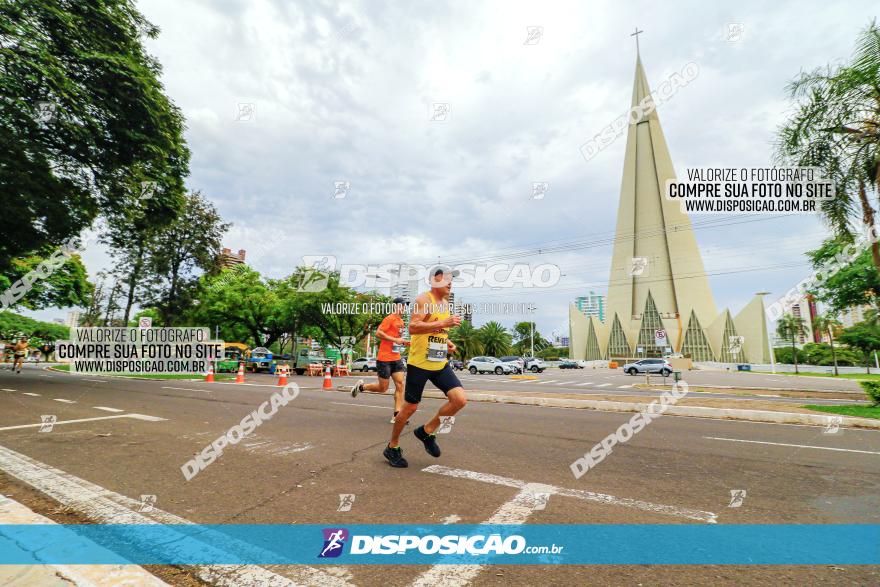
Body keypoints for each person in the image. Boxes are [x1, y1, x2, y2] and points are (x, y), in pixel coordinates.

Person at [383, 268, 467, 468]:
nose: (449, 282)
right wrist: (445, 322)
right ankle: (392, 446)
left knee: (459, 400)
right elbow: (413, 327)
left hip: (439, 363)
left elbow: (437, 330)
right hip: (419, 363)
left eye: (451, 279)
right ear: (433, 280)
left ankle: (427, 431)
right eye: (445, 278)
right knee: (410, 407)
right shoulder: (423, 300)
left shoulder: (445, 304)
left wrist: (448, 343)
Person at [350, 297, 410, 423]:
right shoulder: (389, 318)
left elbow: (396, 339)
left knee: (400, 384)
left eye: (405, 306)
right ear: (395, 306)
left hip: (396, 357)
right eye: (402, 305)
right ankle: (361, 387)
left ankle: (397, 414)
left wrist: (404, 342)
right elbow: (378, 333)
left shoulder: (401, 321)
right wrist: (395, 340)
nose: (404, 308)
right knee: (383, 388)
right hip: (384, 358)